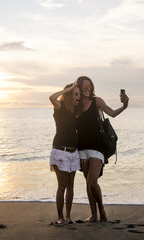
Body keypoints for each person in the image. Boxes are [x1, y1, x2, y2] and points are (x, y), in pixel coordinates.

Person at [76, 76, 129, 222]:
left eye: (90, 86)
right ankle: (93, 215)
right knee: (88, 182)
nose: (88, 88)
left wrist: (125, 106)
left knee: (92, 181)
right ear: (79, 88)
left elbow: (112, 113)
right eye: (84, 86)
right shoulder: (75, 104)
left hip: (97, 147)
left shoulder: (97, 101)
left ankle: (102, 211)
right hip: (82, 147)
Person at [49, 82, 82, 224]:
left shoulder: (75, 112)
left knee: (70, 185)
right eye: (76, 93)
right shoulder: (60, 107)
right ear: (69, 94)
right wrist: (67, 89)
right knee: (61, 185)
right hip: (60, 151)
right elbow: (51, 97)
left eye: (79, 94)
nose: (79, 97)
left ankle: (68, 217)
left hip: (73, 152)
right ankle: (60, 217)